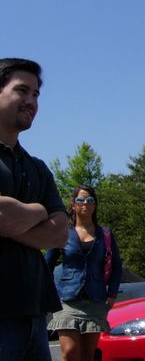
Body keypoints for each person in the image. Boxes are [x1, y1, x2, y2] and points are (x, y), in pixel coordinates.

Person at [0, 58, 69, 360]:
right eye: (22, 90)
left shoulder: (37, 168)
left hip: (34, 311)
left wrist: (23, 216)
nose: (31, 101)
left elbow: (59, 235)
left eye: (36, 94)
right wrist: (41, 211)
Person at [45, 185, 122, 361]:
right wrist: (48, 293)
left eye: (90, 200)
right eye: (80, 200)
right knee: (70, 352)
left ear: (95, 205)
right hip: (67, 299)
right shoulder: (63, 231)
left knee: (88, 356)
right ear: (73, 205)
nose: (85, 203)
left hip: (95, 299)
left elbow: (117, 267)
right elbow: (47, 264)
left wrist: (112, 294)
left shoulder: (106, 234)